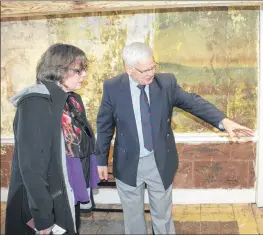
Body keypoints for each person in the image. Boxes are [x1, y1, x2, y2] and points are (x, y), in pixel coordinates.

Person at [95, 42, 254, 234]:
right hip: (128, 162)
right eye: (145, 70)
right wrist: (101, 160)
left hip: (159, 161)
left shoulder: (166, 83)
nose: (150, 73)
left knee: (162, 216)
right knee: (133, 218)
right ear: (128, 69)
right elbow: (104, 126)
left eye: (153, 66)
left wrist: (224, 121)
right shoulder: (112, 87)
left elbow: (194, 103)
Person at [5, 43, 99, 235]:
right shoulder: (34, 104)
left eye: (84, 70)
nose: (84, 75)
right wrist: (43, 217)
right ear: (59, 69)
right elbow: (32, 167)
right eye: (79, 70)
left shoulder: (72, 100)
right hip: (46, 196)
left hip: (68, 187)